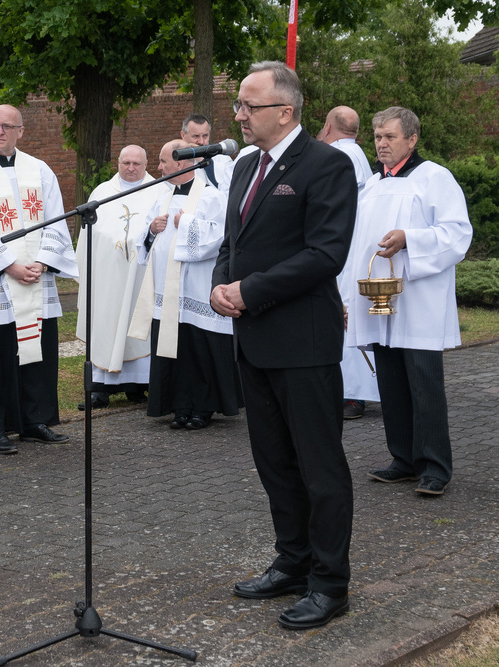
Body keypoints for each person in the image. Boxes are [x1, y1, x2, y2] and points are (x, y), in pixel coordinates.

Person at [211, 61, 357, 630]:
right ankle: (292, 562)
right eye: (240, 106)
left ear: (285, 111)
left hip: (304, 342)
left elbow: (325, 254)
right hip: (254, 342)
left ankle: (329, 582)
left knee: (319, 468)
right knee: (274, 463)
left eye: (250, 106)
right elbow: (234, 241)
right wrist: (222, 285)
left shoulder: (327, 165)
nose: (240, 116)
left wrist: (249, 291)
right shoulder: (246, 167)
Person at [343, 106, 472, 497]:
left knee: (424, 384)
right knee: (393, 384)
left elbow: (456, 234)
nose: (381, 144)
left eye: (390, 137)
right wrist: (345, 296)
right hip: (377, 299)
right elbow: (354, 246)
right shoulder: (372, 186)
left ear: (411, 140)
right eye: (378, 137)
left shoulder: (435, 178)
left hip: (418, 302)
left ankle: (435, 466)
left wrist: (410, 239)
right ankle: (403, 459)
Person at [0, 104, 78, 454]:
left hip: (35, 278)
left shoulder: (40, 170)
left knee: (34, 351)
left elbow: (56, 219)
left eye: (8, 126)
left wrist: (41, 262)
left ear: (21, 130)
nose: (0, 132)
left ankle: (35, 420)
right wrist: (9, 265)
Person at [132, 140, 241, 429]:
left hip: (196, 288)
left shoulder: (211, 197)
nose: (158, 167)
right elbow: (143, 237)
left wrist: (188, 223)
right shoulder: (162, 197)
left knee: (198, 349)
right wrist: (151, 230)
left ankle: (203, 408)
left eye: (163, 161)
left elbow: (221, 238)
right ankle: (179, 406)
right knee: (173, 349)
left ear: (181, 163)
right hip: (166, 292)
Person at [75, 145, 158, 409]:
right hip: (107, 275)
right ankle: (100, 387)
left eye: (137, 163)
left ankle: (139, 384)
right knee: (106, 322)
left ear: (146, 164)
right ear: (118, 163)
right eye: (126, 163)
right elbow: (92, 235)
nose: (131, 168)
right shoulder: (102, 193)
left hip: (143, 274)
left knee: (138, 324)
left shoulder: (159, 191)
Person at [318, 105, 378, 419]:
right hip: (354, 246)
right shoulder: (357, 155)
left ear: (328, 127)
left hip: (346, 249)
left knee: (346, 316)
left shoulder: (339, 157)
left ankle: (353, 395)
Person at [182, 113, 234, 192]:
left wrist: (201, 159)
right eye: (196, 136)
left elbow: (226, 189)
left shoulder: (223, 159)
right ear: (183, 135)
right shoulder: (177, 162)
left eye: (205, 136)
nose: (202, 141)